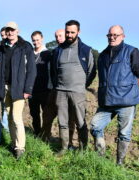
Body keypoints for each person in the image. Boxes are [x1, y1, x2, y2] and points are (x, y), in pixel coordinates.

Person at [90, 25, 139, 165]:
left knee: (124, 133)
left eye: (116, 35)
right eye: (110, 35)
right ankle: (100, 156)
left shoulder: (132, 52)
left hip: (126, 102)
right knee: (95, 126)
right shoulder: (102, 55)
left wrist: (128, 91)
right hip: (107, 101)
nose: (112, 37)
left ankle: (119, 163)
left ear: (123, 36)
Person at [51, 20, 96, 156]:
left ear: (78, 32)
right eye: (67, 32)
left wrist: (82, 86)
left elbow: (92, 71)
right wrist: (57, 86)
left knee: (80, 121)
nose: (69, 35)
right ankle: (64, 147)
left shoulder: (86, 50)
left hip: (77, 92)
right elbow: (53, 70)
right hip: (60, 91)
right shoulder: (58, 50)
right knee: (63, 121)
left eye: (72, 32)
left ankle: (83, 150)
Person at [0, 21, 36, 159]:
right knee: (9, 117)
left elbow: (31, 70)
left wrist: (28, 88)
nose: (10, 32)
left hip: (18, 88)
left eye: (12, 30)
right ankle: (13, 143)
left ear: (17, 31)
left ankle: (20, 148)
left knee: (17, 118)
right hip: (4, 87)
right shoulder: (1, 48)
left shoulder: (25, 47)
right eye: (8, 30)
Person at [29, 31, 52, 136]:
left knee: (46, 114)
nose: (35, 42)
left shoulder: (48, 54)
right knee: (34, 113)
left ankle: (46, 135)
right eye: (33, 40)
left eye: (37, 40)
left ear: (42, 39)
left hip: (44, 90)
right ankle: (37, 132)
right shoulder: (30, 54)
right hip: (32, 89)